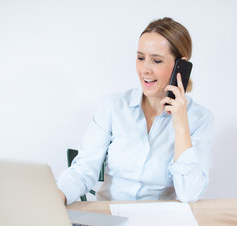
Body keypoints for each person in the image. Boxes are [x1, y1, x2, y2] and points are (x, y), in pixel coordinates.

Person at [57, 17, 214, 205]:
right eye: (140, 58)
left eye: (156, 60)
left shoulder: (200, 119)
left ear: (181, 66)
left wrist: (181, 127)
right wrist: (57, 196)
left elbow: (189, 194)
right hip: (110, 217)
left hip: (160, 224)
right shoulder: (113, 107)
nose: (144, 69)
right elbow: (83, 171)